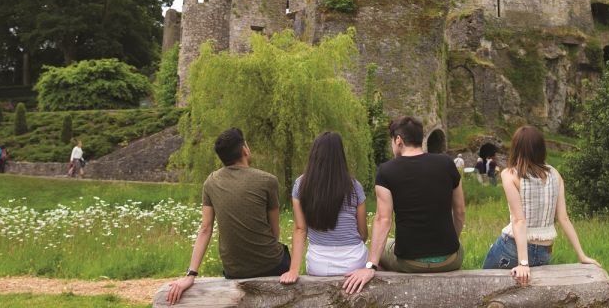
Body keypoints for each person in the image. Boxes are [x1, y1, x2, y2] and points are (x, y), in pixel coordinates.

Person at [166, 127, 290, 305]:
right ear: (245, 150)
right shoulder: (267, 180)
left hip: (234, 270)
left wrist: (191, 274)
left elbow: (205, 229)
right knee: (283, 252)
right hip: (271, 264)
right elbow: (274, 231)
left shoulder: (211, 182)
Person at [343, 116, 465, 294]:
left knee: (384, 247)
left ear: (398, 140)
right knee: (459, 247)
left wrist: (370, 266)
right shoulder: (447, 163)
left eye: (392, 141)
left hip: (409, 262)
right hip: (450, 260)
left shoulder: (386, 171)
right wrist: (449, 242)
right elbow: (460, 212)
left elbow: (383, 219)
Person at [482, 125, 598, 284]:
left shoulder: (509, 174)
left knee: (484, 281)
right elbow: (564, 218)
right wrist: (582, 256)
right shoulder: (554, 174)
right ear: (541, 148)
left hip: (512, 249)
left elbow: (519, 220)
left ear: (516, 148)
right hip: (544, 251)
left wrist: (523, 263)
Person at [280, 131, 368, 283]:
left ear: (314, 154)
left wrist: (293, 270)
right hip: (354, 263)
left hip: (318, 265)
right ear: (340, 156)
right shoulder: (354, 186)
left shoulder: (300, 185)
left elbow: (300, 229)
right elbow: (363, 234)